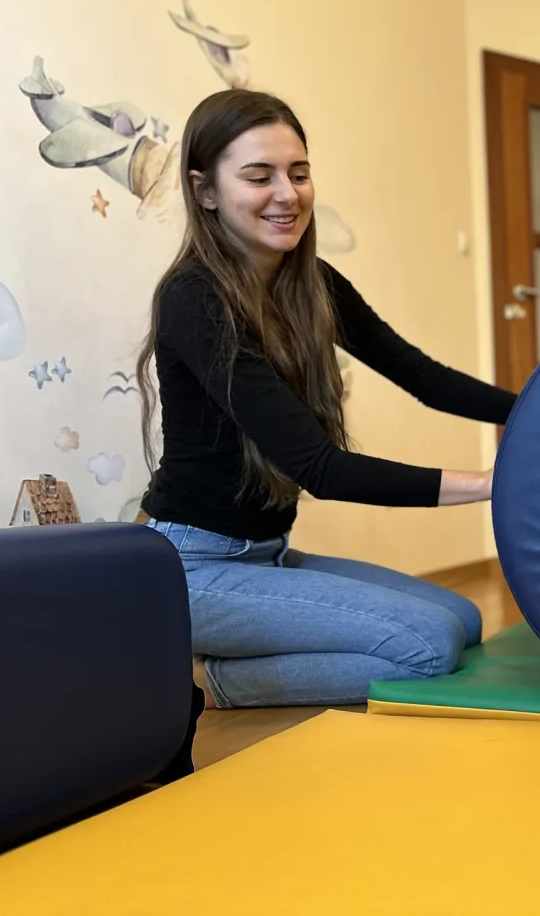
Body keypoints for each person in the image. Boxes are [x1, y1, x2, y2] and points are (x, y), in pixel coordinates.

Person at [133, 88, 517, 709]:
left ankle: (241, 657)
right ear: (205, 191)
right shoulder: (194, 299)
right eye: (259, 177)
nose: (287, 194)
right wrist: (495, 482)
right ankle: (213, 683)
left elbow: (423, 377)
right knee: (430, 649)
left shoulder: (311, 285)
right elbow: (321, 468)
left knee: (463, 620)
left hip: (267, 555)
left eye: (299, 173)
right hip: (190, 569)